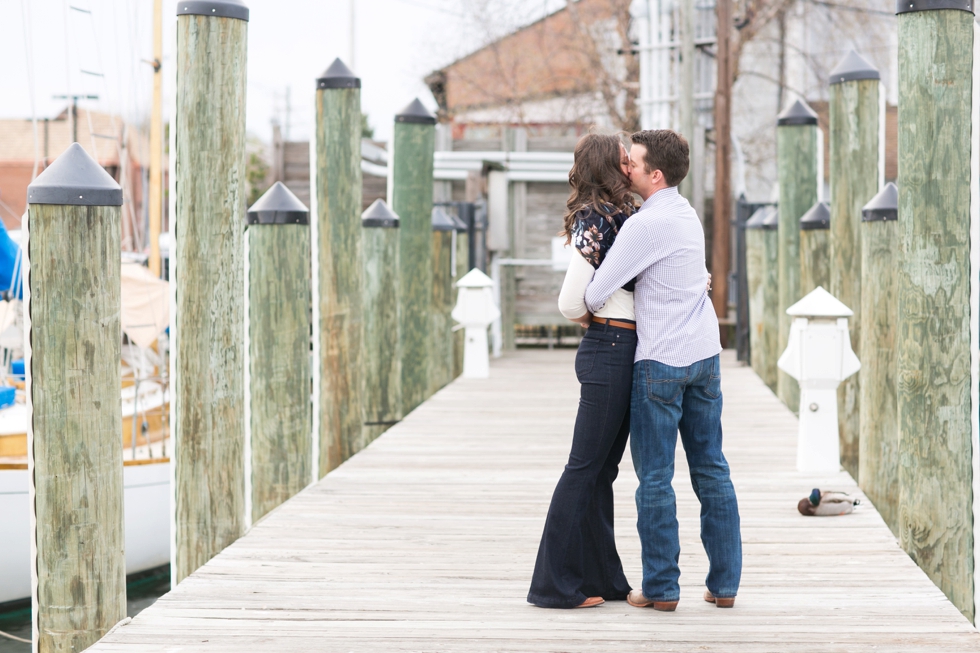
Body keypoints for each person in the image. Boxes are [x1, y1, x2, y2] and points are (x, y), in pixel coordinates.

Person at [584, 129, 742, 611]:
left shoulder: (643, 226)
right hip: (705, 356)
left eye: (631, 162)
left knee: (654, 478)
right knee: (712, 470)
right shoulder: (687, 214)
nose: (624, 168)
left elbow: (594, 294)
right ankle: (725, 585)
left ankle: (660, 588)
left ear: (654, 173)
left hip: (660, 362)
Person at [527, 133, 638, 609]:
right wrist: (603, 319)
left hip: (621, 346)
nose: (631, 162)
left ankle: (604, 579)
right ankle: (552, 585)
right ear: (610, 166)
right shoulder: (597, 218)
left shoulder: (621, 215)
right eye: (624, 158)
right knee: (584, 468)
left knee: (602, 471)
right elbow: (569, 300)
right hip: (609, 345)